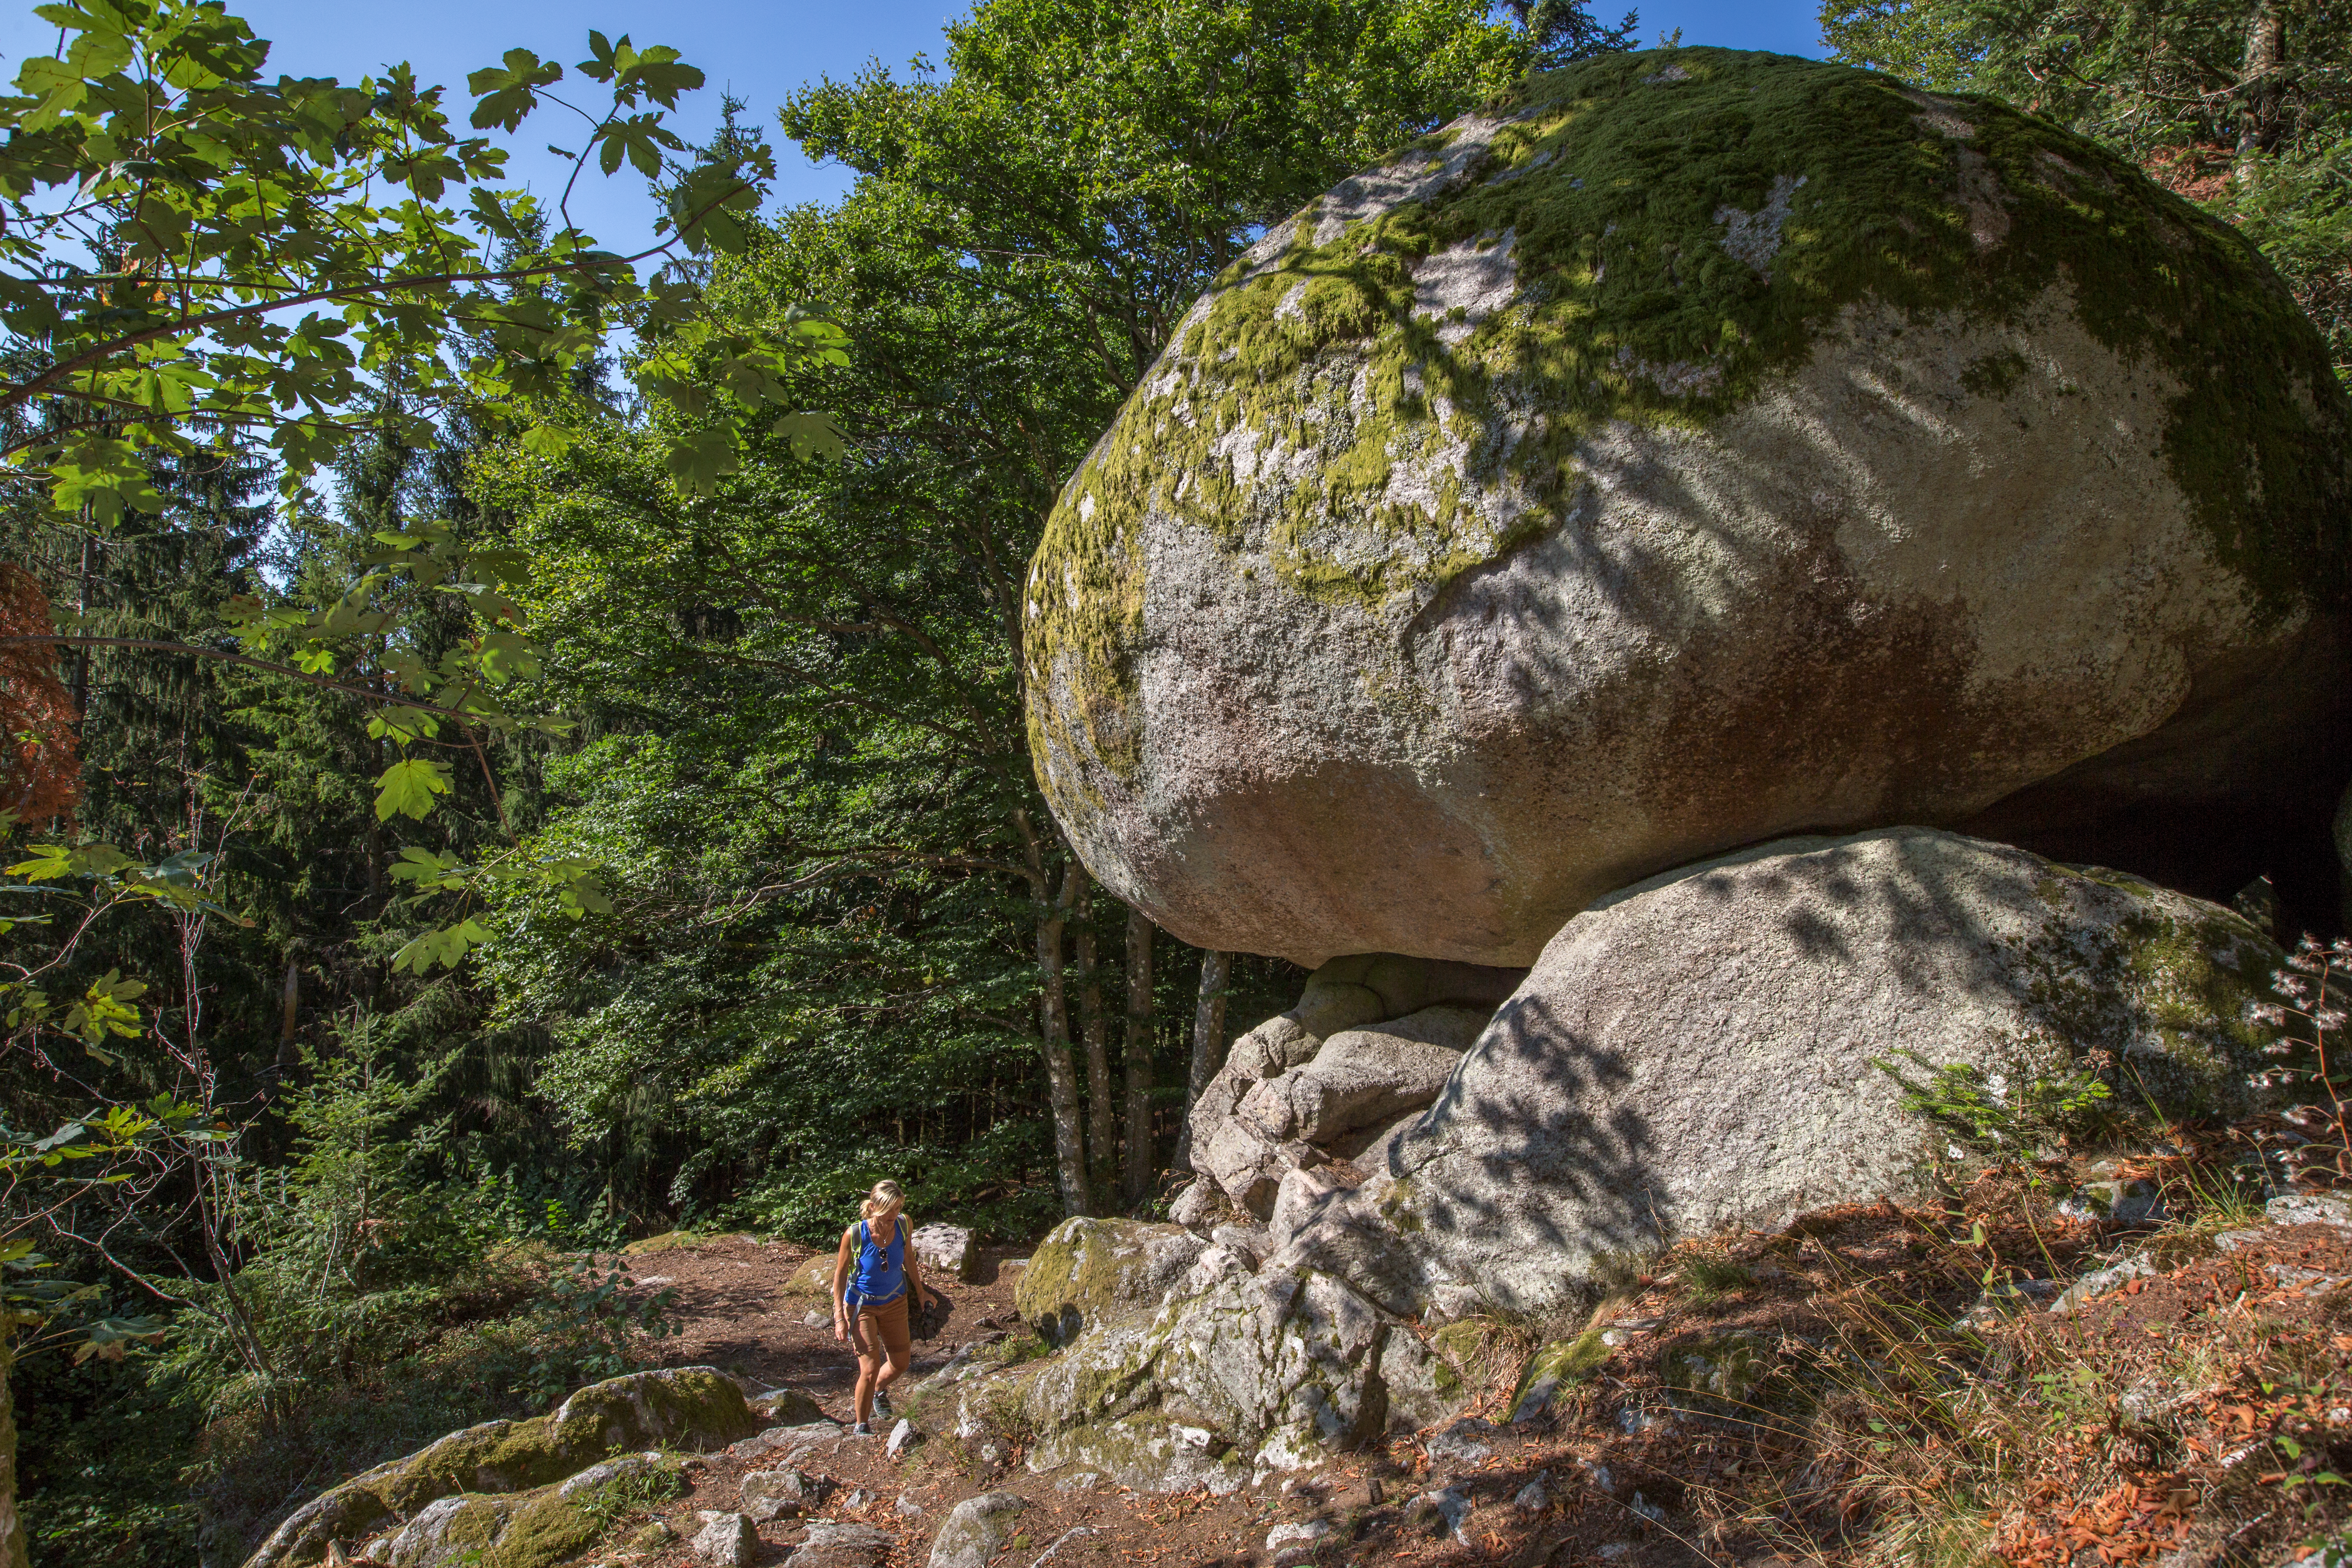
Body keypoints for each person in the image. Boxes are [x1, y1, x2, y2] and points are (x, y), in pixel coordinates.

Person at [831, 1178, 937, 1435]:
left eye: (899, 1207)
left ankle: (878, 1390)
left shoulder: (903, 1224)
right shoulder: (855, 1234)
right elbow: (840, 1274)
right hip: (862, 1306)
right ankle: (862, 1426)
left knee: (901, 1363)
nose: (894, 1214)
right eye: (889, 1208)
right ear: (874, 1206)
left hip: (895, 1302)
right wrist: (838, 1315)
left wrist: (921, 1293)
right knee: (869, 1367)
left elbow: (909, 1257)